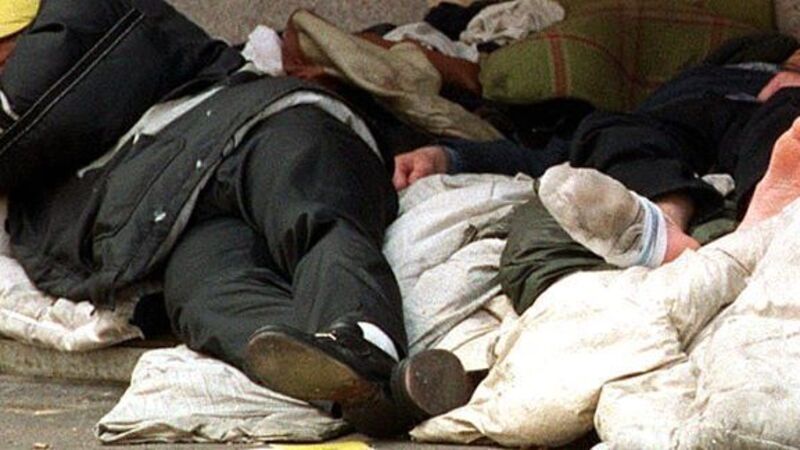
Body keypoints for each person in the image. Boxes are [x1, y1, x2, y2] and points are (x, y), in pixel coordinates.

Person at [0, 0, 470, 437]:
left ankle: (365, 339)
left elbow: (40, 82)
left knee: (311, 211)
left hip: (256, 123)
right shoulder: (37, 157)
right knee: (204, 295)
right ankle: (368, 391)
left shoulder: (84, 21)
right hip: (175, 212)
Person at [394, 33, 800, 312]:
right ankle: (663, 226)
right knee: (605, 130)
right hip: (675, 118)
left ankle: (761, 224)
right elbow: (551, 155)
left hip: (773, 112)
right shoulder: (708, 71)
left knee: (787, 122)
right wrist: (448, 157)